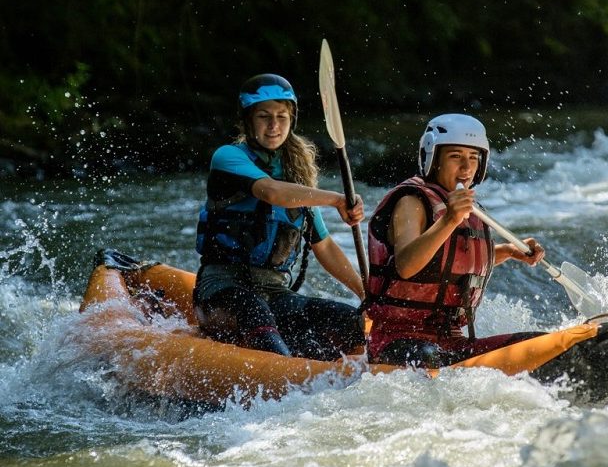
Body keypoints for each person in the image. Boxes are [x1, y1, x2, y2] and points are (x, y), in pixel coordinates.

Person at [193, 73, 366, 360]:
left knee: (347, 320)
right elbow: (271, 192)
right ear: (248, 120)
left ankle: (327, 373)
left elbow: (325, 248)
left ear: (292, 120)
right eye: (264, 116)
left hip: (274, 292)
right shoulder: (227, 158)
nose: (274, 125)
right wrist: (337, 200)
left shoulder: (297, 181)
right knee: (253, 311)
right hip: (221, 288)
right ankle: (284, 374)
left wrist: (365, 294)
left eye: (281, 117)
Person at [363, 113, 546, 367]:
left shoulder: (464, 207)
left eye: (473, 157)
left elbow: (451, 264)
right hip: (396, 339)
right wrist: (449, 219)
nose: (466, 167)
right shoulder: (411, 202)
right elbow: (406, 266)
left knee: (534, 343)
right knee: (430, 356)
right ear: (433, 160)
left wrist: (509, 251)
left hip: (451, 340)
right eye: (455, 156)